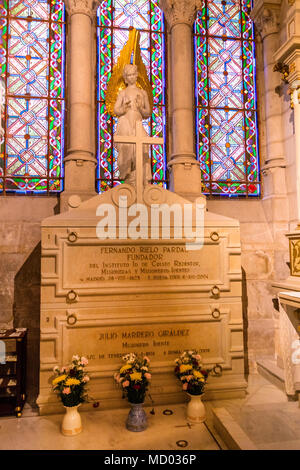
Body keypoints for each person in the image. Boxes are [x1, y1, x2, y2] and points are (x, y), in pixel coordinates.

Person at [114, 64, 152, 185]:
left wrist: (140, 108)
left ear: (137, 75)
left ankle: (139, 176)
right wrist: (124, 108)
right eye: (128, 75)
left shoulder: (142, 93)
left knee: (142, 147)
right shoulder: (123, 93)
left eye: (133, 74)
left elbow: (148, 112)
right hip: (125, 123)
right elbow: (116, 110)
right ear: (125, 77)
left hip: (138, 123)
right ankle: (129, 175)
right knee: (127, 148)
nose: (131, 77)